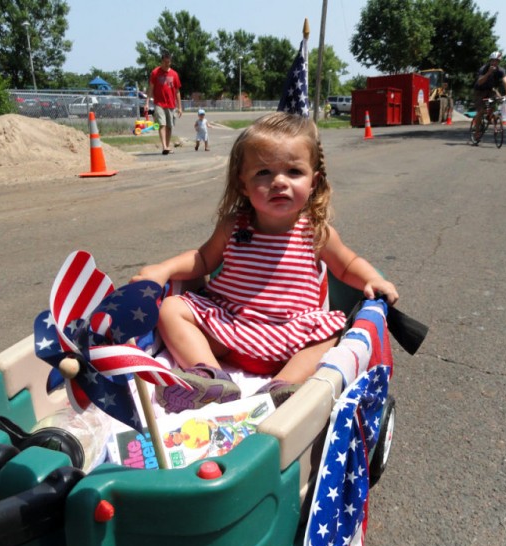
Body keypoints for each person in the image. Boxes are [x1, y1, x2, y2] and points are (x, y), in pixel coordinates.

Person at [132, 112, 399, 412]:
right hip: (230, 330)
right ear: (243, 184)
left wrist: (371, 280)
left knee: (333, 333)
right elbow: (203, 259)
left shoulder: (316, 232)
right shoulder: (233, 225)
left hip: (288, 338)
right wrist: (163, 269)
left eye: (294, 172)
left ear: (314, 181)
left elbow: (347, 265)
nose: (279, 182)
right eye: (263, 173)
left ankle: (282, 387)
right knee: (171, 308)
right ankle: (209, 376)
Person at [145, 50, 183, 155]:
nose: (167, 64)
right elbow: (150, 88)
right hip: (159, 103)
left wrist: (180, 107)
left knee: (170, 126)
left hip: (171, 104)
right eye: (165, 62)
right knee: (162, 124)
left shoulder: (174, 74)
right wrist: (147, 102)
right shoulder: (155, 73)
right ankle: (164, 146)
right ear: (161, 61)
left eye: (169, 62)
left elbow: (177, 91)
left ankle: (167, 146)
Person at [472, 51, 506, 129]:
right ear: (490, 61)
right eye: (493, 60)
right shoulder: (484, 69)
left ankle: (489, 116)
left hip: (491, 90)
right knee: (480, 111)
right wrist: (488, 73)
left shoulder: (500, 70)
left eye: (496, 61)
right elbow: (479, 82)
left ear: (499, 62)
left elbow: (505, 81)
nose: (494, 62)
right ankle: (476, 131)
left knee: (499, 99)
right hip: (479, 91)